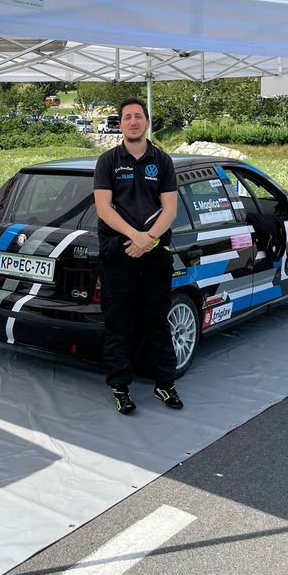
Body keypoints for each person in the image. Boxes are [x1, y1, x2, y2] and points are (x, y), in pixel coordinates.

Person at [93, 98, 183, 414]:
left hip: (154, 256)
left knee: (157, 322)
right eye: (127, 117)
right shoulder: (107, 161)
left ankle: (165, 384)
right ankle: (120, 388)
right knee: (119, 325)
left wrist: (148, 240)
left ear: (146, 122)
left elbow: (170, 210)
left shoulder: (163, 161)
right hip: (119, 255)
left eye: (138, 116)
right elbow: (103, 208)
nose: (133, 121)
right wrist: (136, 237)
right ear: (120, 124)